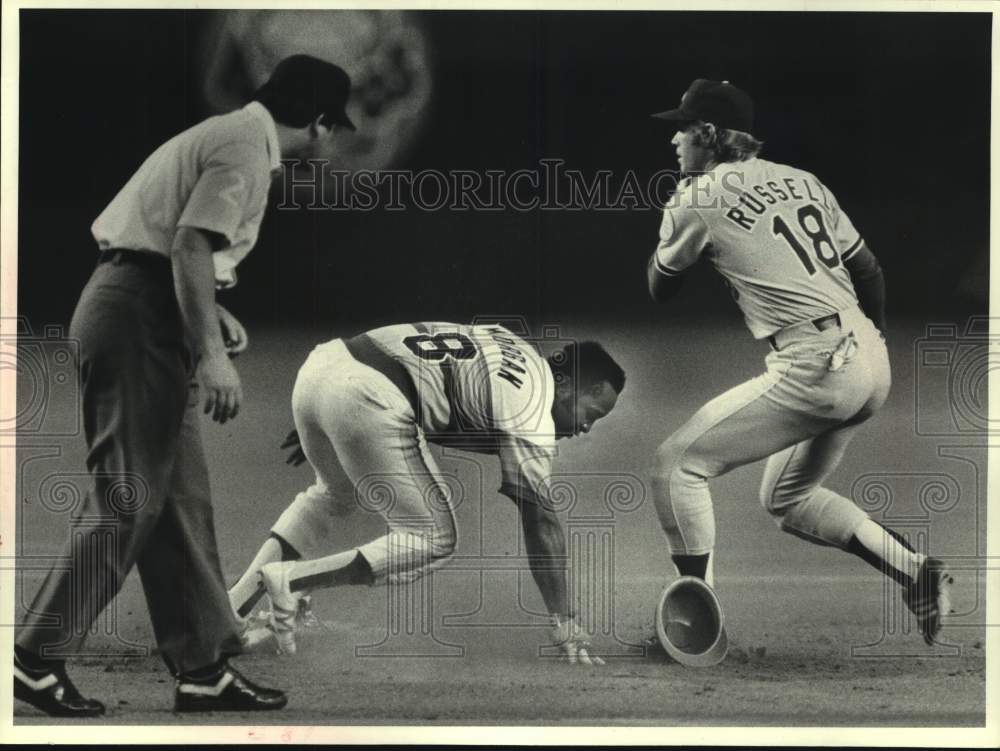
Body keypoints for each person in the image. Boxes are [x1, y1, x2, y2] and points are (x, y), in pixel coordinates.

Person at [14, 55, 356, 717]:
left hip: (143, 306)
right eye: (330, 127)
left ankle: (203, 668)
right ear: (316, 123)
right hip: (135, 313)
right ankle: (34, 657)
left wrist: (207, 315)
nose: (329, 139)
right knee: (129, 498)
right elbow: (189, 246)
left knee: (180, 501)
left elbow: (171, 245)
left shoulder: (230, 133)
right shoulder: (244, 149)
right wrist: (213, 355)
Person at [646, 79, 951, 645]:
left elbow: (660, 287)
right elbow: (870, 271)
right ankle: (917, 571)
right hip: (868, 356)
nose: (675, 141)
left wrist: (673, 220)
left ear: (709, 135)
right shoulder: (802, 179)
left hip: (815, 363)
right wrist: (867, 346)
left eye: (684, 128)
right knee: (785, 499)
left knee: (676, 466)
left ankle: (700, 627)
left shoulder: (698, 197)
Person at [227, 322, 625, 663]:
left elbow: (424, 353)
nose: (586, 428)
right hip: (368, 393)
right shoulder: (532, 411)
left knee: (334, 494)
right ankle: (292, 581)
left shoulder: (510, 341)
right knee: (435, 539)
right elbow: (541, 523)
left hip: (323, 368)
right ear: (568, 383)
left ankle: (229, 611)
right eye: (592, 412)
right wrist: (566, 622)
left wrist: (330, 406)